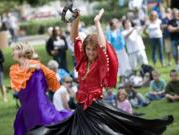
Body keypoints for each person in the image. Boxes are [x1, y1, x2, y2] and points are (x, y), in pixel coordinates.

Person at [27, 9, 173, 135]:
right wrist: (76, 19)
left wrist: (97, 23)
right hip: (81, 107)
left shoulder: (100, 63)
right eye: (88, 49)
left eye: (93, 49)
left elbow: (103, 45)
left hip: (95, 106)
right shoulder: (82, 60)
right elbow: (74, 37)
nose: (90, 52)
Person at [9, 42, 72, 135]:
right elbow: (16, 89)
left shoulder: (37, 67)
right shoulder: (15, 70)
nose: (12, 53)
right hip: (27, 110)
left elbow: (52, 80)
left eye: (14, 50)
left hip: (41, 108)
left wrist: (37, 68)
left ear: (21, 52)